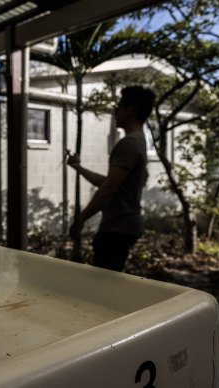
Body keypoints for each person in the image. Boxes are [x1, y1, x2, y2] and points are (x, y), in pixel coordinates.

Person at [68, 86, 155, 272]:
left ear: (130, 109)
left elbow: (109, 188)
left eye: (118, 107)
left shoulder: (129, 144)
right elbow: (110, 183)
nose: (114, 112)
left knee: (102, 288)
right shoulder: (139, 141)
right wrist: (78, 168)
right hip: (123, 226)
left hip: (117, 228)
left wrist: (80, 219)